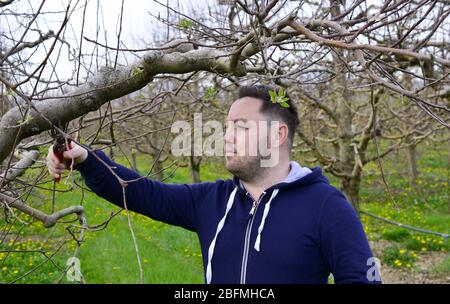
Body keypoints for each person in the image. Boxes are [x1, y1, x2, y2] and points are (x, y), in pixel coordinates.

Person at [46, 84, 381, 284]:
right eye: (227, 126)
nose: (227, 136)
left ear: (277, 135)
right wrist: (85, 158)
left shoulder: (326, 207)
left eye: (241, 126)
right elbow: (142, 193)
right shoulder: (213, 200)